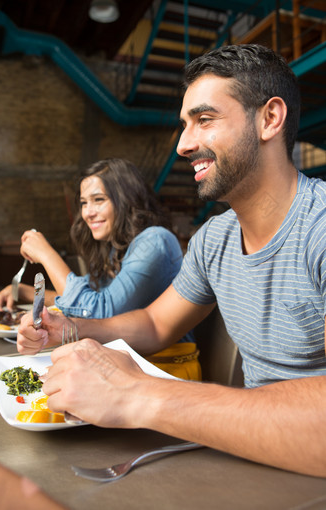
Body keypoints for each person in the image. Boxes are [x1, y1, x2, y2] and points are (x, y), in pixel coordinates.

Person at [18, 44, 326, 477]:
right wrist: (72, 328)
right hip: (251, 459)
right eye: (184, 125)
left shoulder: (320, 228)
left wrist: (137, 395)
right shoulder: (213, 240)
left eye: (204, 120)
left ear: (269, 119)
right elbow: (155, 325)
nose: (183, 145)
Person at [0, 158, 200, 380]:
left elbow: (98, 313)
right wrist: (25, 292)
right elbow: (88, 302)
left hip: (164, 371)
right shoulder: (116, 247)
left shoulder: (155, 241)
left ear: (127, 200)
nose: (88, 213)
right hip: (126, 364)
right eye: (84, 203)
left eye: (98, 200)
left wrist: (47, 255)